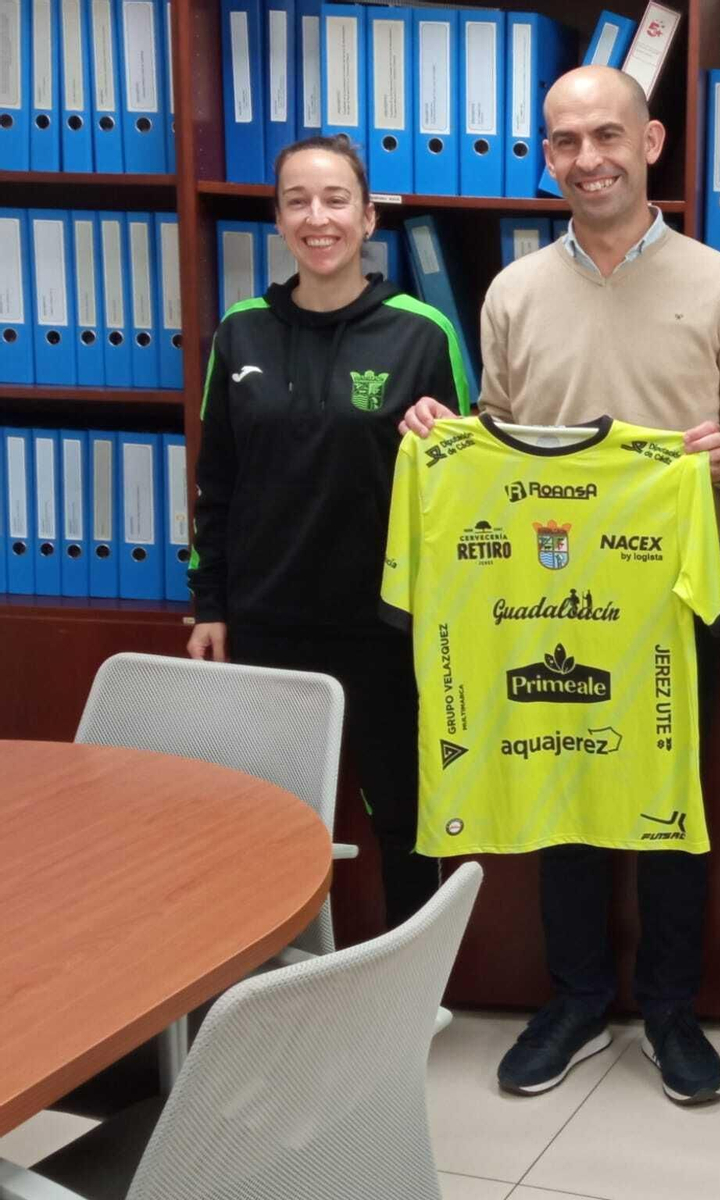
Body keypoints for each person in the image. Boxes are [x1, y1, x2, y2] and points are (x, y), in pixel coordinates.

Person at [397, 66, 720, 1106]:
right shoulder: (512, 291)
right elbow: (499, 444)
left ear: (652, 142)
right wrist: (445, 436)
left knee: (668, 801)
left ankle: (672, 1008)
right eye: (564, 141)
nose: (587, 158)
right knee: (559, 783)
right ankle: (576, 999)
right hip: (544, 587)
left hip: (673, 589)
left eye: (607, 135)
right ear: (547, 157)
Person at [187, 135, 471, 931]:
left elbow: (465, 488)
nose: (318, 217)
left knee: (405, 823)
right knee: (266, 823)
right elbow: (218, 482)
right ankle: (264, 983)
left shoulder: (422, 333)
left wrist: (446, 434)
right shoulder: (239, 332)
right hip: (267, 625)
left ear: (368, 217)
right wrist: (209, 604)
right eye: (298, 201)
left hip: (385, 628)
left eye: (336, 199)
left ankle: (411, 989)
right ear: (278, 220)